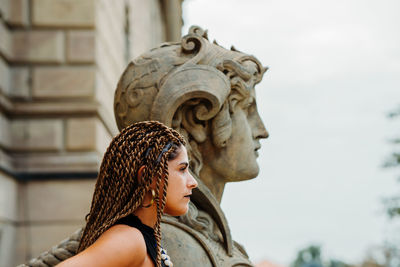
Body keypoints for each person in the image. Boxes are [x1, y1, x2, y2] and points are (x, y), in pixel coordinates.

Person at [56, 121, 198, 267]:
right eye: (182, 169)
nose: (193, 182)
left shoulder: (144, 239)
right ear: (146, 177)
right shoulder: (129, 239)